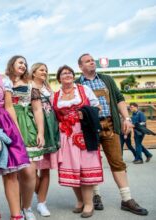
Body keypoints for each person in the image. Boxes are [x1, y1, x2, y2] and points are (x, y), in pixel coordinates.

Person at [76, 53, 148, 216]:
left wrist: (126, 118)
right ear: (80, 66)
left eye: (92, 60)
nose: (92, 62)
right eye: (87, 61)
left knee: (117, 161)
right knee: (91, 163)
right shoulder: (77, 84)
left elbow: (119, 98)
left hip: (110, 123)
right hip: (88, 128)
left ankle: (127, 199)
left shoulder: (107, 79)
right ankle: (96, 196)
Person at [0, 44, 30, 220]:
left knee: (11, 172)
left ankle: (16, 215)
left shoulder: (3, 79)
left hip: (5, 122)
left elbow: (9, 106)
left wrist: (16, 131)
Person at [53, 65, 103, 218]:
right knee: (72, 168)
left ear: (73, 76)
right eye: (63, 73)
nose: (67, 75)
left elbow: (98, 107)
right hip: (66, 135)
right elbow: (53, 116)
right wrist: (59, 123)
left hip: (84, 133)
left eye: (69, 72)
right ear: (59, 78)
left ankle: (89, 203)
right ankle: (80, 200)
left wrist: (85, 114)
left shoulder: (84, 89)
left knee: (85, 167)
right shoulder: (55, 95)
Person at [6, 55, 45, 220]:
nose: (23, 65)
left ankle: (27, 207)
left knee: (29, 173)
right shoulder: (3, 81)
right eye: (20, 62)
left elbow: (37, 110)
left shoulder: (31, 85)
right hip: (7, 126)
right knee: (11, 175)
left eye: (25, 63)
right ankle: (15, 211)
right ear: (12, 64)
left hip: (27, 127)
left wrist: (41, 132)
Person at [30, 62, 60, 217]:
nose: (45, 72)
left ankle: (42, 202)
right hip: (33, 128)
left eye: (46, 70)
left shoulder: (49, 89)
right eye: (41, 70)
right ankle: (36, 193)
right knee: (31, 170)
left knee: (45, 169)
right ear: (33, 72)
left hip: (50, 129)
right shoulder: (28, 86)